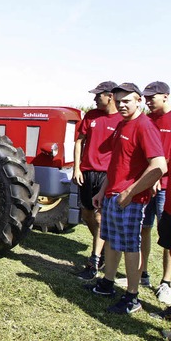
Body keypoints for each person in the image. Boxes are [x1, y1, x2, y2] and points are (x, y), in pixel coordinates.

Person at [86, 82, 166, 315]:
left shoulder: (144, 126)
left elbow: (159, 166)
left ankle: (132, 297)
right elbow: (117, 162)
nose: (121, 105)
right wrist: (103, 191)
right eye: (118, 101)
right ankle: (107, 283)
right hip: (112, 195)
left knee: (131, 246)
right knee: (111, 241)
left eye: (127, 101)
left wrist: (130, 192)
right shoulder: (123, 124)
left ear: (139, 100)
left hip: (130, 200)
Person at [74, 81, 121, 280]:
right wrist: (77, 167)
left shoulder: (121, 119)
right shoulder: (91, 116)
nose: (94, 98)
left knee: (100, 217)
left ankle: (94, 261)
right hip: (86, 171)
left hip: (106, 175)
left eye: (98, 95)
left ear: (109, 96)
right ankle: (101, 247)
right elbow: (79, 141)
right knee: (86, 215)